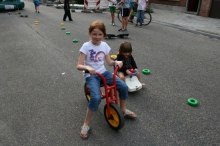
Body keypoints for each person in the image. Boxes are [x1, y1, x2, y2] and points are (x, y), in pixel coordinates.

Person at [77, 20, 137, 139]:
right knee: (96, 97)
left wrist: (116, 62)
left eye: (100, 34)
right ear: (90, 33)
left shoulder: (104, 45)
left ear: (104, 35)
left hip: (103, 72)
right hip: (91, 75)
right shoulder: (86, 46)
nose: (97, 37)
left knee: (123, 86)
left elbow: (109, 62)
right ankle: (86, 123)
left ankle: (123, 109)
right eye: (94, 34)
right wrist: (88, 67)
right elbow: (78, 65)